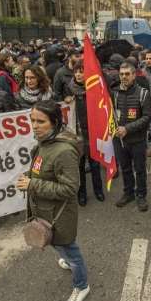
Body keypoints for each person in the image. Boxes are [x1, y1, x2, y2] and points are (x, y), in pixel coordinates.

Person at [15, 100, 90, 301]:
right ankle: (71, 263)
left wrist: (32, 184)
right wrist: (30, 177)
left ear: (54, 122)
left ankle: (82, 285)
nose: (35, 126)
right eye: (32, 121)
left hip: (59, 214)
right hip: (45, 210)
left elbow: (69, 188)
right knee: (60, 246)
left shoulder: (63, 150)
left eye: (41, 121)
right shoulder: (44, 142)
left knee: (70, 249)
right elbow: (42, 171)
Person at [112, 63, 151, 211]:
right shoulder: (114, 93)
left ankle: (141, 194)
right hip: (120, 141)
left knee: (140, 170)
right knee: (125, 169)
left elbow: (147, 117)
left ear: (134, 75)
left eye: (127, 74)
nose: (124, 77)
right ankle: (128, 193)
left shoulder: (143, 93)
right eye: (121, 74)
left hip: (138, 141)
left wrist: (127, 129)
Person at [64, 62, 104, 206]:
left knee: (95, 165)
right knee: (80, 166)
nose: (79, 74)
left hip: (93, 132)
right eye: (77, 72)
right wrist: (67, 100)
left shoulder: (94, 88)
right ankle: (82, 194)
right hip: (77, 133)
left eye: (82, 72)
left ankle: (98, 190)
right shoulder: (69, 88)